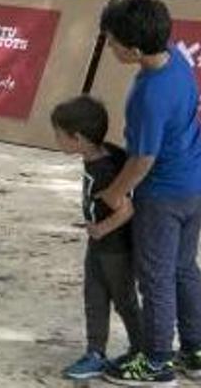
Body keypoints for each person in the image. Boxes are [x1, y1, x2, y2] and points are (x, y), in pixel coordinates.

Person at [97, 0, 201, 386]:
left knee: (156, 276)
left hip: (162, 195)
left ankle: (158, 360)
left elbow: (142, 160)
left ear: (135, 49)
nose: (109, 47)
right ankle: (195, 349)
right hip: (194, 184)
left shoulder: (148, 95)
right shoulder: (176, 57)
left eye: (113, 43)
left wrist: (115, 194)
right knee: (183, 268)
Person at [50, 96, 143, 380]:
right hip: (99, 247)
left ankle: (143, 349)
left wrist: (101, 229)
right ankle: (95, 352)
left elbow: (125, 209)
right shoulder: (105, 153)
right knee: (95, 296)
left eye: (58, 134)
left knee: (124, 299)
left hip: (114, 249)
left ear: (77, 138)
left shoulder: (103, 170)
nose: (56, 139)